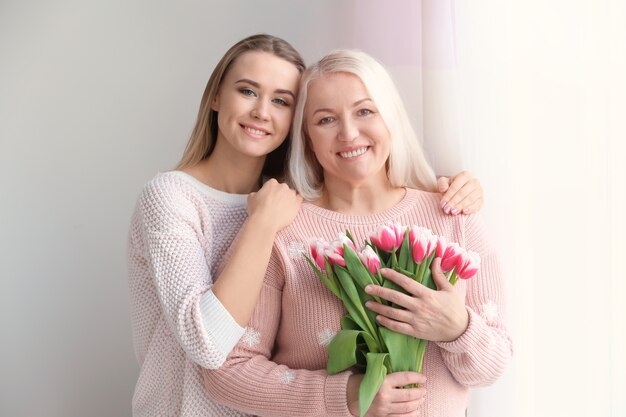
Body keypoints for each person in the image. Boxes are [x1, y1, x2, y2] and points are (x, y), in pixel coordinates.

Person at [128, 34, 484, 416]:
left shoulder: (286, 200)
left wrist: (458, 191)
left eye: (281, 100)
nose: (263, 112)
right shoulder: (175, 198)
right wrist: (262, 224)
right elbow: (210, 347)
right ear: (216, 96)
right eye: (248, 91)